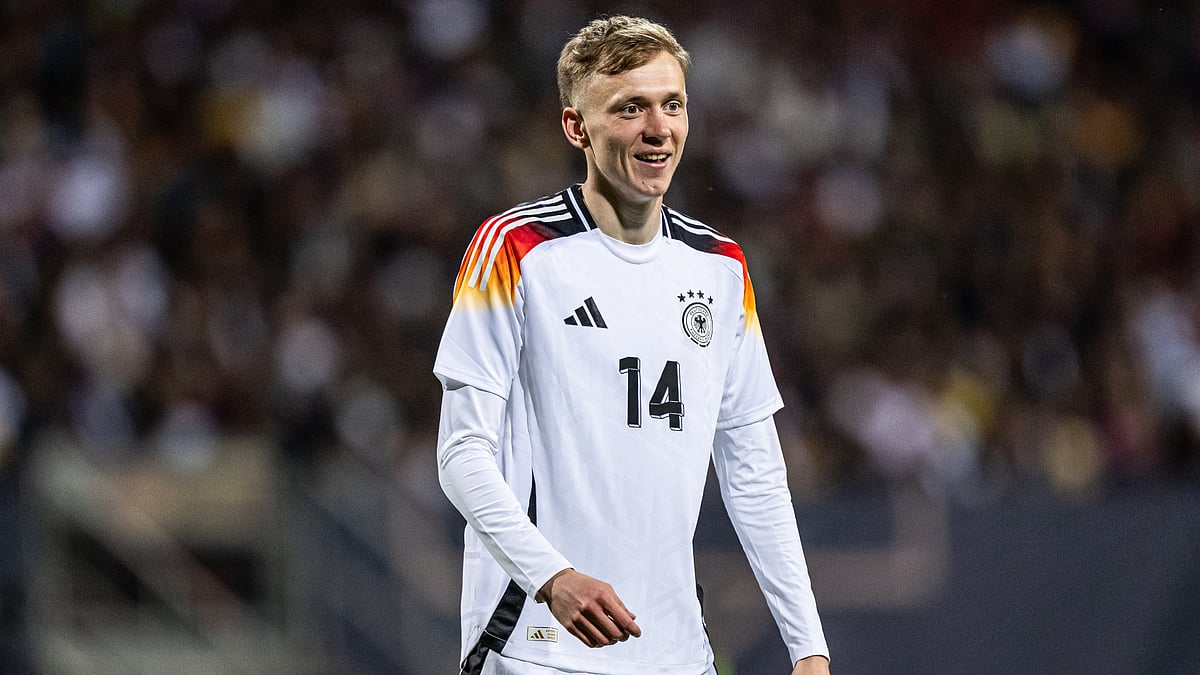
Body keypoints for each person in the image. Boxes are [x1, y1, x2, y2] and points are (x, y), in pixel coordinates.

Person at [434, 15, 830, 675]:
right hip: (536, 648)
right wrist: (553, 576)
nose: (658, 127)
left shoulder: (721, 267)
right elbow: (460, 455)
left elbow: (754, 472)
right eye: (629, 108)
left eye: (672, 104)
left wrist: (808, 646)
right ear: (575, 127)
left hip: (678, 656)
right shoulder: (516, 248)